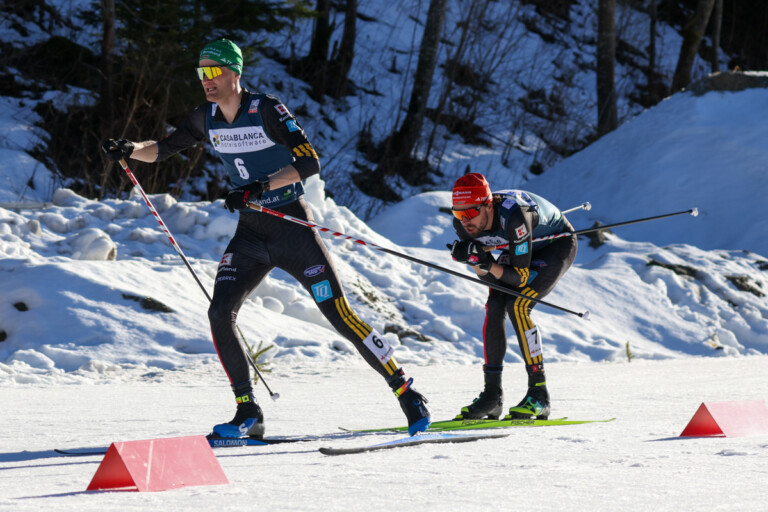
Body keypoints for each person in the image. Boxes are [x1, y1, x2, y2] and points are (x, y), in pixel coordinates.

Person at [102, 38, 430, 437]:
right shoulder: (205, 117)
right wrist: (129, 148)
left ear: (234, 74)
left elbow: (308, 162)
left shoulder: (266, 109)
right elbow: (164, 149)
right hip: (251, 236)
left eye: (214, 71)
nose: (206, 80)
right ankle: (248, 412)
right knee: (220, 312)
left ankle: (406, 390)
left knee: (338, 314)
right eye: (201, 72)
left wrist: (258, 188)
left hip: (292, 227)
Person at [447, 173, 577, 420]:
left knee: (518, 305)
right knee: (495, 304)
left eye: (470, 213)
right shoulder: (465, 223)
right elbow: (490, 278)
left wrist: (486, 263)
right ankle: (492, 396)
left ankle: (539, 394)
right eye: (458, 214)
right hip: (517, 248)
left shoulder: (514, 216)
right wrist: (476, 262)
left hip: (555, 245)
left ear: (488, 205)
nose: (464, 221)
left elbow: (519, 277)